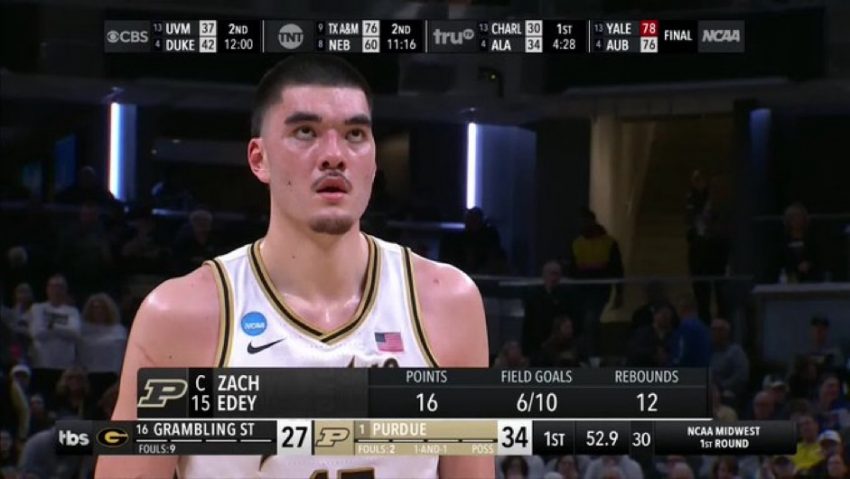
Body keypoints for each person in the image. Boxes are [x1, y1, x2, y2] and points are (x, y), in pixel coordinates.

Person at [97, 55, 491, 479]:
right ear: (259, 158)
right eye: (306, 132)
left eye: (355, 134)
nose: (334, 155)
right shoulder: (179, 315)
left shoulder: (448, 303)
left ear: (374, 160)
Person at [567, 208, 624, 354]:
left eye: (585, 222)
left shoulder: (609, 243)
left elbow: (617, 269)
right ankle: (583, 353)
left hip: (600, 289)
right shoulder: (576, 243)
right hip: (580, 290)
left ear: (592, 221)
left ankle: (594, 355)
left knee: (590, 320)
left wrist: (619, 292)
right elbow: (572, 269)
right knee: (581, 322)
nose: (582, 226)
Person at [28, 274, 81, 407]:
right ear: (47, 289)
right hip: (41, 363)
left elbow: (75, 333)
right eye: (53, 286)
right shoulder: (38, 308)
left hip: (65, 366)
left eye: (60, 287)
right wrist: (63, 329)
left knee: (61, 403)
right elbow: (37, 333)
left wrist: (52, 326)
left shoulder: (72, 311)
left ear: (65, 290)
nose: (56, 290)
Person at [77, 293, 127, 401]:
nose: (98, 310)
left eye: (102, 307)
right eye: (95, 307)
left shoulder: (119, 330)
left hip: (112, 375)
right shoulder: (82, 329)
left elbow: (124, 355)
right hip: (87, 376)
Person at [522, 260, 574, 356]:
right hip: (537, 343)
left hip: (559, 343)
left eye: (558, 274)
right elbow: (528, 323)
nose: (555, 277)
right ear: (544, 275)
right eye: (552, 273)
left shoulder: (566, 296)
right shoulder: (533, 296)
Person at [709, 318, 749, 405]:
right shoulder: (707, 351)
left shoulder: (735, 352)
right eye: (713, 329)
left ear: (726, 332)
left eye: (719, 330)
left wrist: (721, 386)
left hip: (727, 394)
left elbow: (741, 376)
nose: (715, 333)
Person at [778, 202, 820, 283]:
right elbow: (779, 261)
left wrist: (809, 264)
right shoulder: (782, 240)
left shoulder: (812, 239)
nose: (796, 220)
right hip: (788, 279)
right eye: (793, 217)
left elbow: (819, 258)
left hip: (811, 279)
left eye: (799, 216)